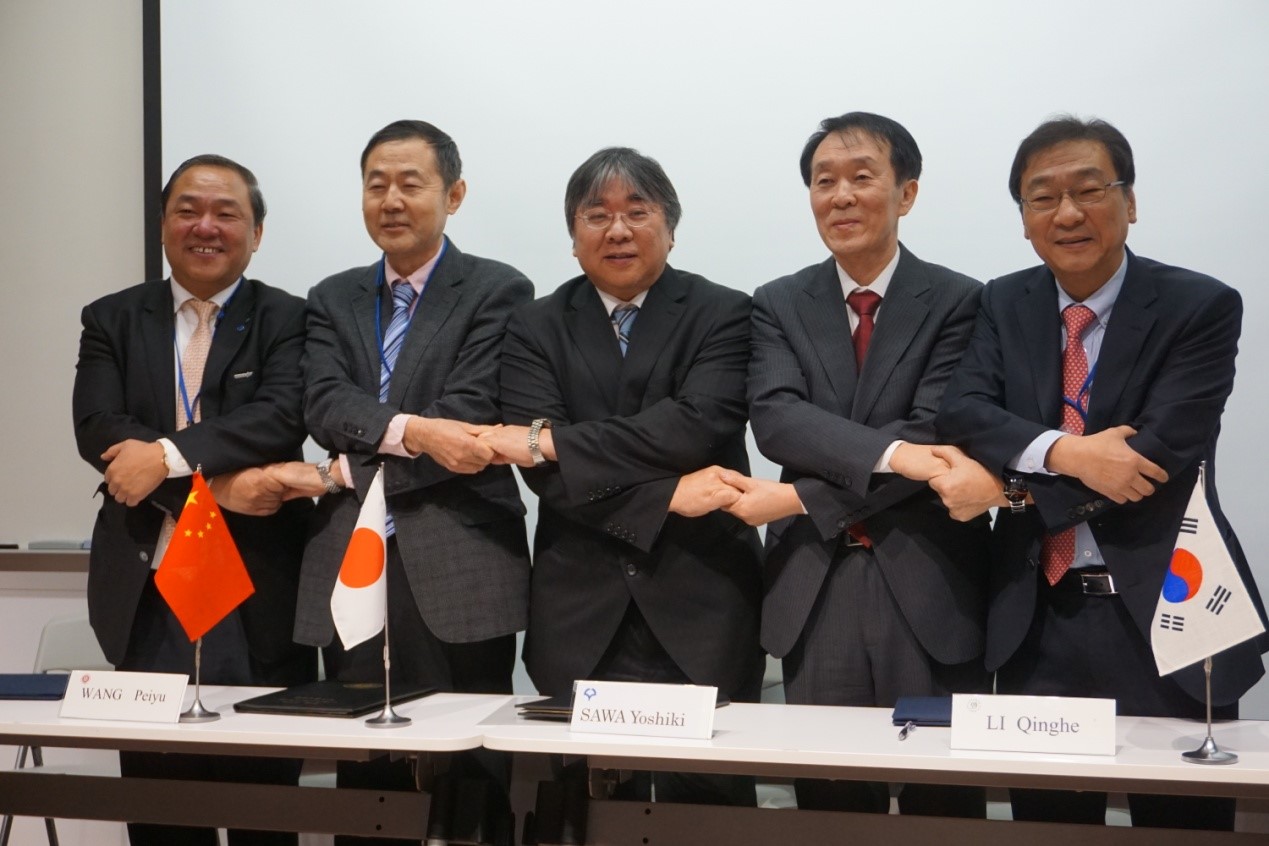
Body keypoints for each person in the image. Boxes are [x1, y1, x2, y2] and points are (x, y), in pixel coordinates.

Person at [935, 115, 1269, 829]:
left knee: (1182, 824)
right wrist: (1069, 452)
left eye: (1088, 190)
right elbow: (962, 411)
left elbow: (1157, 455)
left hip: (1166, 611)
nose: (1066, 213)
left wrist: (1013, 486)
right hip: (1035, 615)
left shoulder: (1199, 305)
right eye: (1042, 197)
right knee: (1047, 823)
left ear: (1130, 201)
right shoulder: (1001, 301)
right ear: (1024, 218)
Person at [724, 112, 990, 816]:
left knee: (945, 805)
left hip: (929, 575)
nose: (840, 196)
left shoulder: (962, 300)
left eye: (861, 177)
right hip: (815, 581)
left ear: (906, 193)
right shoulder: (777, 303)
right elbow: (778, 421)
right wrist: (897, 454)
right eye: (823, 182)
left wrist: (801, 498)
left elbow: (942, 429)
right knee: (831, 805)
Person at [482, 146, 764, 806]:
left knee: (712, 805)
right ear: (572, 234)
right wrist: (669, 495)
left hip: (703, 599)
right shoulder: (533, 326)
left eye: (638, 212)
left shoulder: (724, 312)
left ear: (670, 226)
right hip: (581, 605)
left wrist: (555, 442)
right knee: (582, 807)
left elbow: (694, 426)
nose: (617, 230)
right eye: (596, 215)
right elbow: (546, 479)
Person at [289, 120, 532, 843]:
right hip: (350, 558)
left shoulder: (496, 288)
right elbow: (323, 404)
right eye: (376, 185)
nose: (390, 200)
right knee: (367, 770)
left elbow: (472, 412)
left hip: (458, 556)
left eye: (410, 184)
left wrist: (342, 467)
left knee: (470, 769)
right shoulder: (331, 296)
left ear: (453, 195)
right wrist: (416, 432)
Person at [72, 154, 316, 846]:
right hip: (148, 586)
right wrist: (221, 487)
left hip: (259, 586)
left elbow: (279, 417)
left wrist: (165, 459)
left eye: (225, 213)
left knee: (263, 815)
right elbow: (98, 427)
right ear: (162, 225)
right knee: (160, 812)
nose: (204, 226)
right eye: (187, 210)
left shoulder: (290, 318)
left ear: (256, 233)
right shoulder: (112, 318)